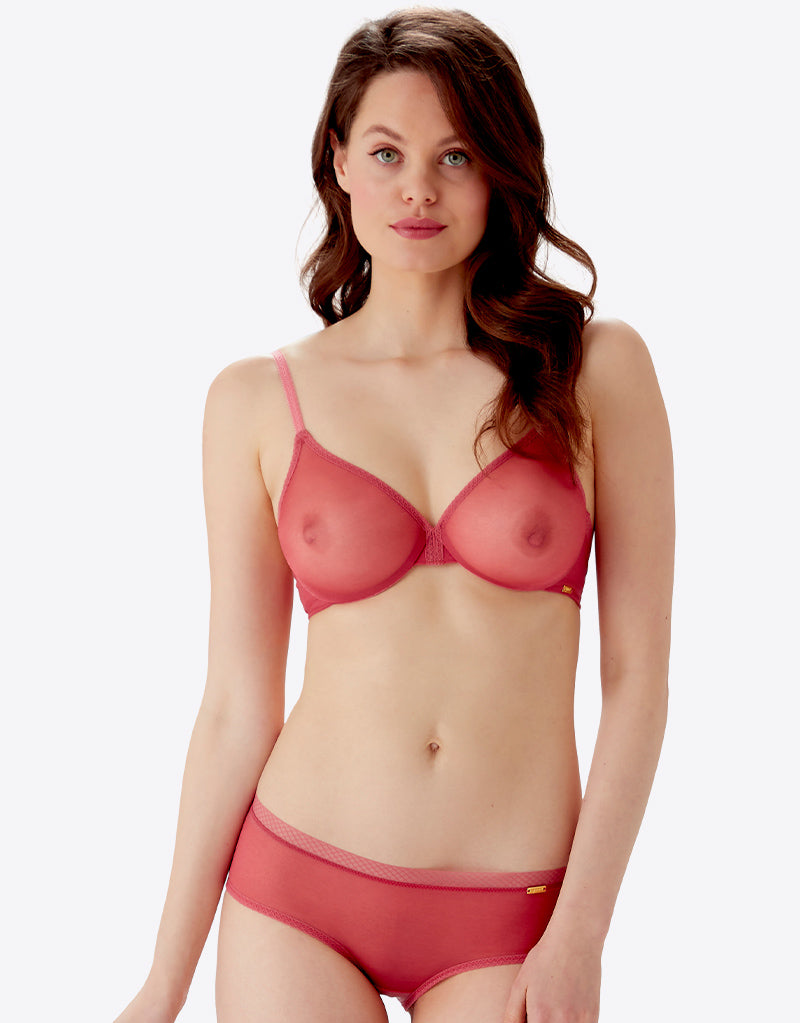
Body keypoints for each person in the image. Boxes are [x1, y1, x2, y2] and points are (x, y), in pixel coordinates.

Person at [114, 7, 674, 1022]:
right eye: (386, 153)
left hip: (513, 912)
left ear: (500, 168)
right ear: (338, 161)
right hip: (297, 891)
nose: (418, 189)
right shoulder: (255, 400)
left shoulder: (594, 371)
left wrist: (581, 934)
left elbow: (636, 679)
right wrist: (163, 981)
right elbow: (236, 704)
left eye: (455, 156)